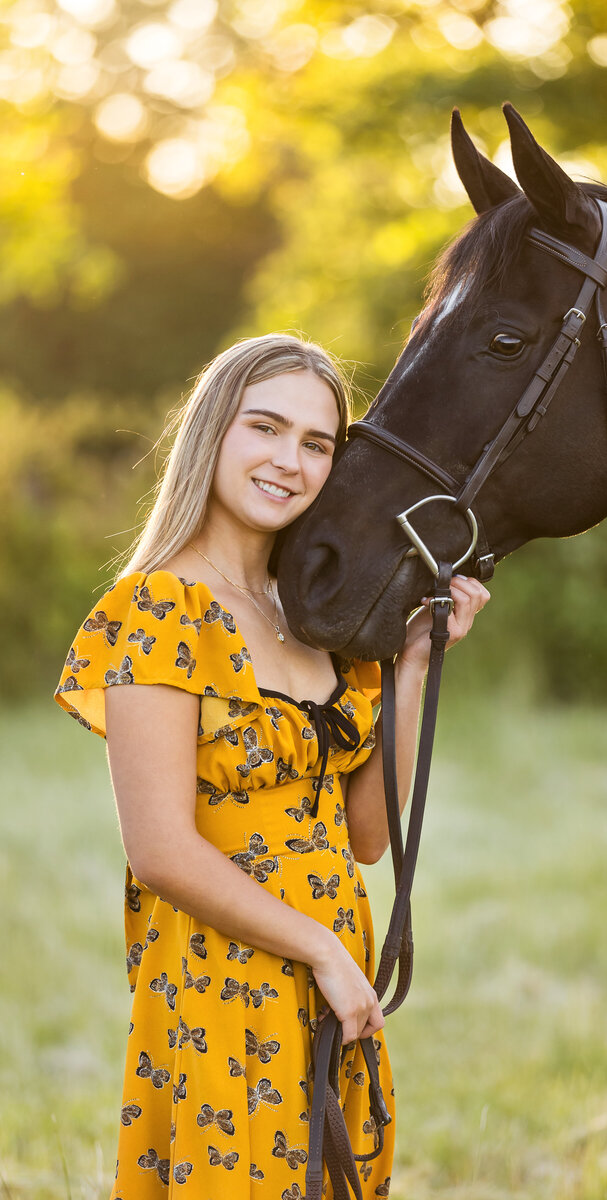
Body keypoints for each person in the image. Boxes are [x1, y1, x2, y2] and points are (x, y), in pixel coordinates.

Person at [54, 333, 489, 1198]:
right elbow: (161, 851)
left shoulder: (322, 614)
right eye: (266, 427)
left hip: (333, 974)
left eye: (317, 443)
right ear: (214, 432)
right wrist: (321, 951)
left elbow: (366, 835)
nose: (289, 461)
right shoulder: (158, 610)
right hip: (224, 976)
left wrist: (411, 665)